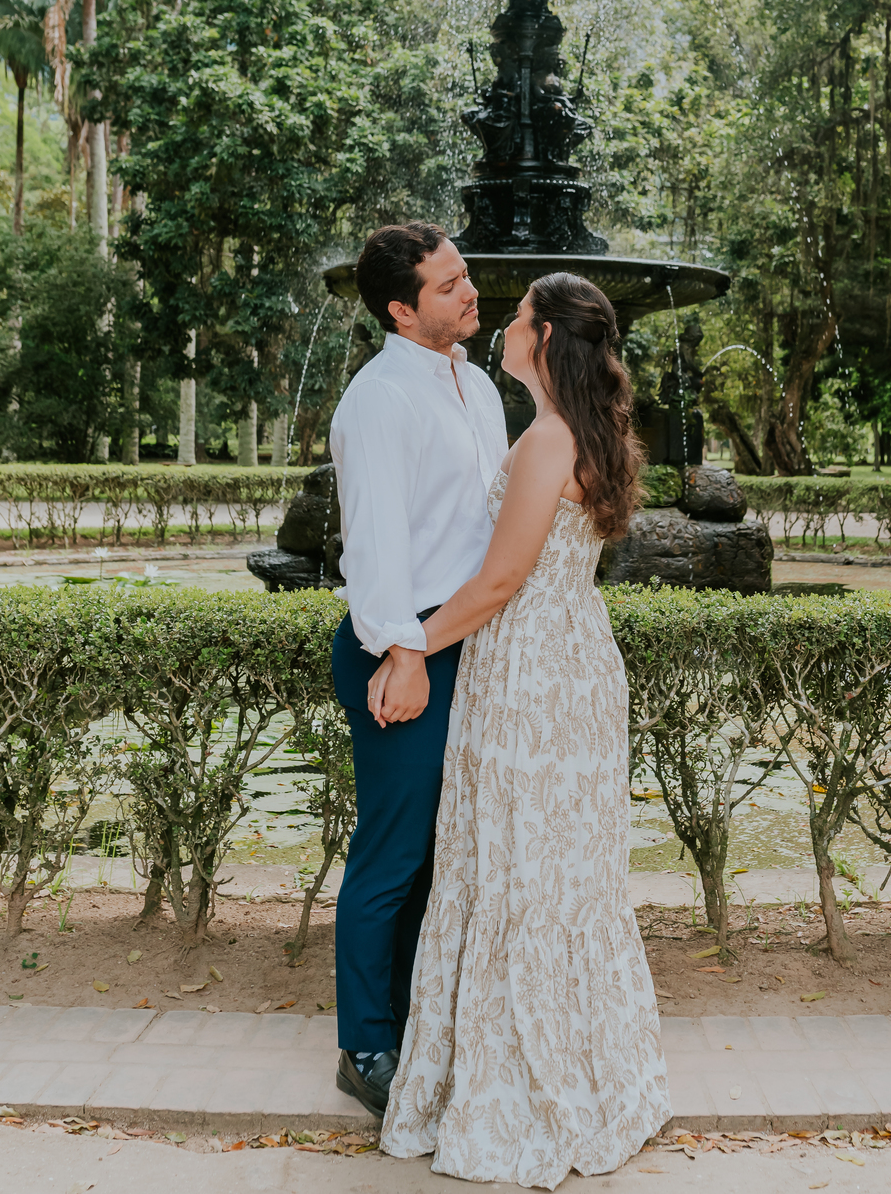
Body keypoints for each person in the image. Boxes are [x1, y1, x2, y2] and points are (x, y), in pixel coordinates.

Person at [374, 271, 671, 1188]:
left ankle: (526, 1093)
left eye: (516, 315)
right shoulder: (585, 431)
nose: (500, 320)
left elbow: (500, 581)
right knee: (561, 869)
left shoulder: (547, 440)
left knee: (513, 865)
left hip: (531, 676)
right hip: (575, 662)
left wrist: (408, 645)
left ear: (543, 337)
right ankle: (595, 1070)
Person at [329, 223, 507, 1119]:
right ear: (402, 309)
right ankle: (364, 1043)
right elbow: (376, 540)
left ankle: (412, 1022)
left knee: (444, 853)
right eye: (448, 286)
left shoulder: (478, 387)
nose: (469, 292)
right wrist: (405, 650)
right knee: (394, 853)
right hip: (405, 648)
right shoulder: (377, 401)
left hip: (468, 645)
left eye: (465, 274)